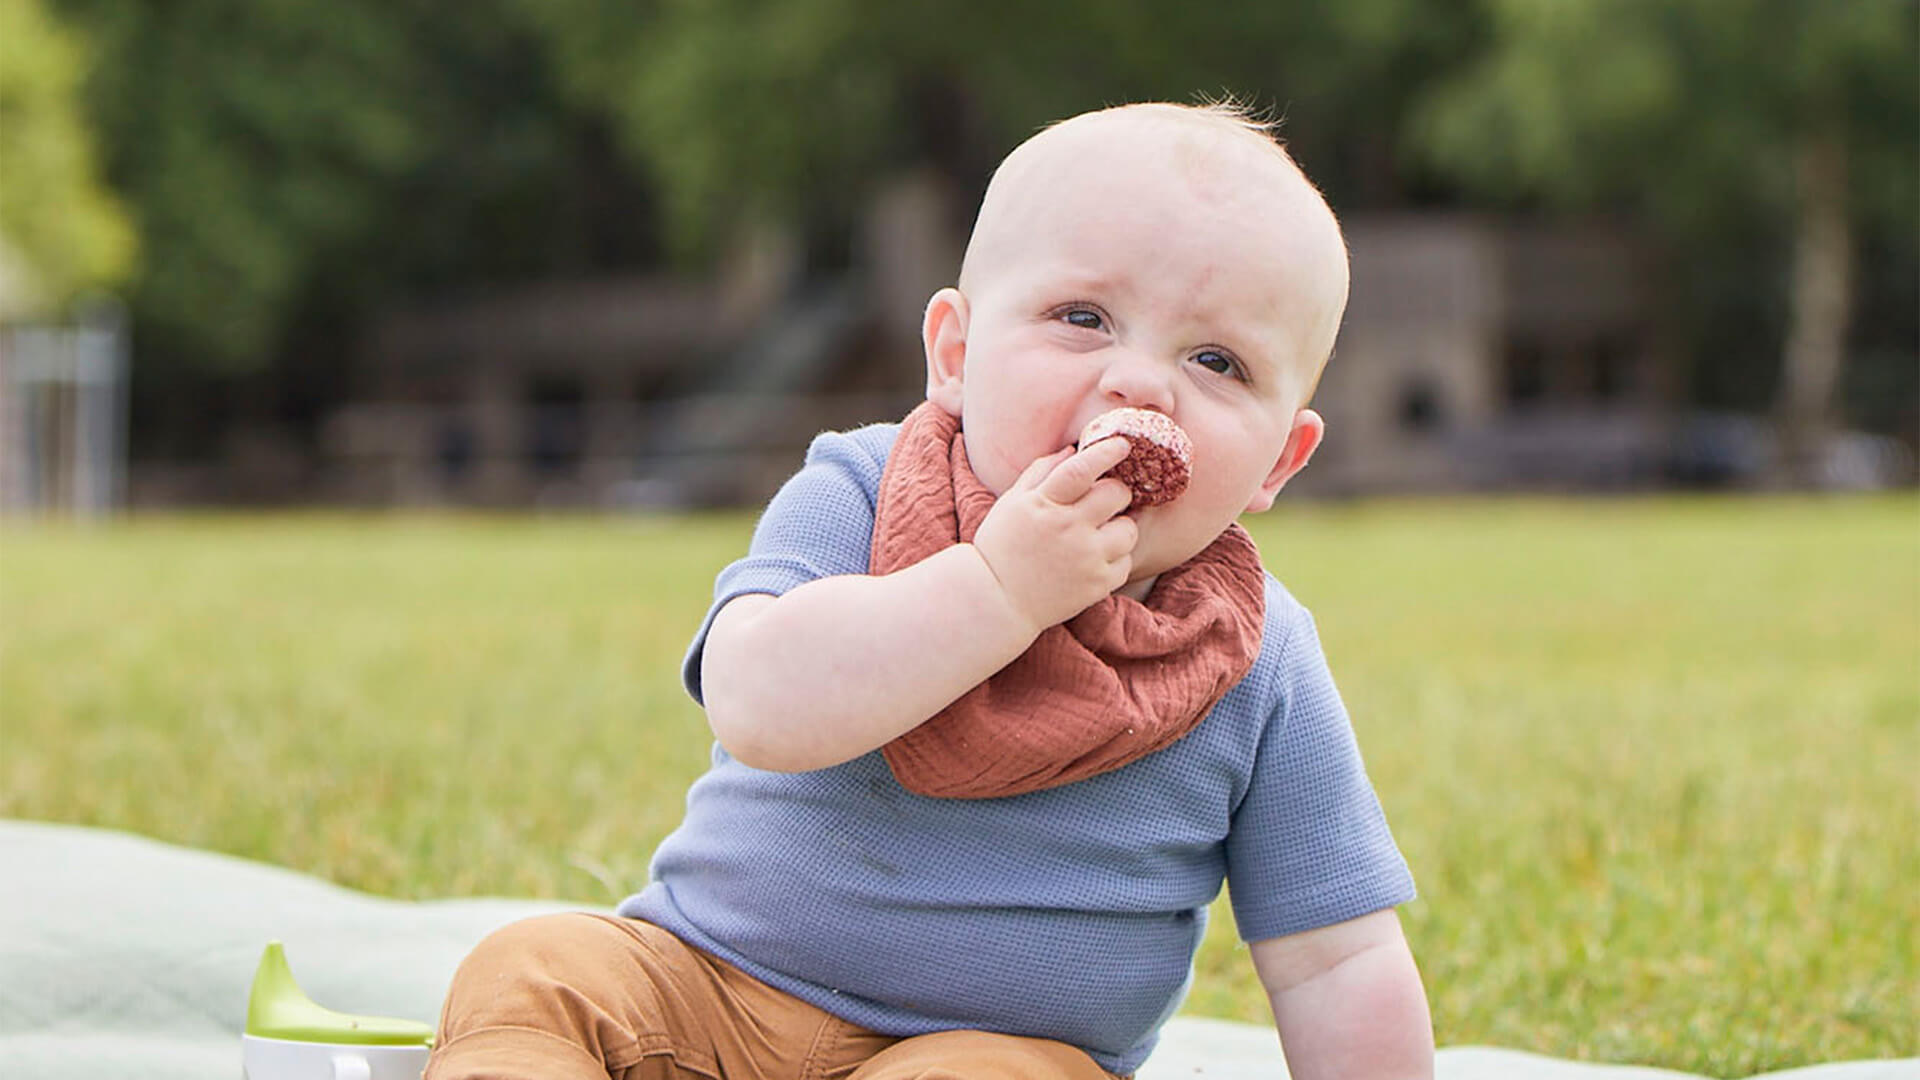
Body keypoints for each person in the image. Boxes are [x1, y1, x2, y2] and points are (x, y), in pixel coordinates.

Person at [427, 100, 1432, 1080]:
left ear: (1278, 464)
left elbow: (1336, 958)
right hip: (712, 992)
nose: (1140, 384)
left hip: (998, 1054)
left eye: (1217, 361)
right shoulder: (860, 493)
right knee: (535, 971)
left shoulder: (1246, 653)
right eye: (1082, 318)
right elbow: (759, 703)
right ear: (953, 356)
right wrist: (999, 589)